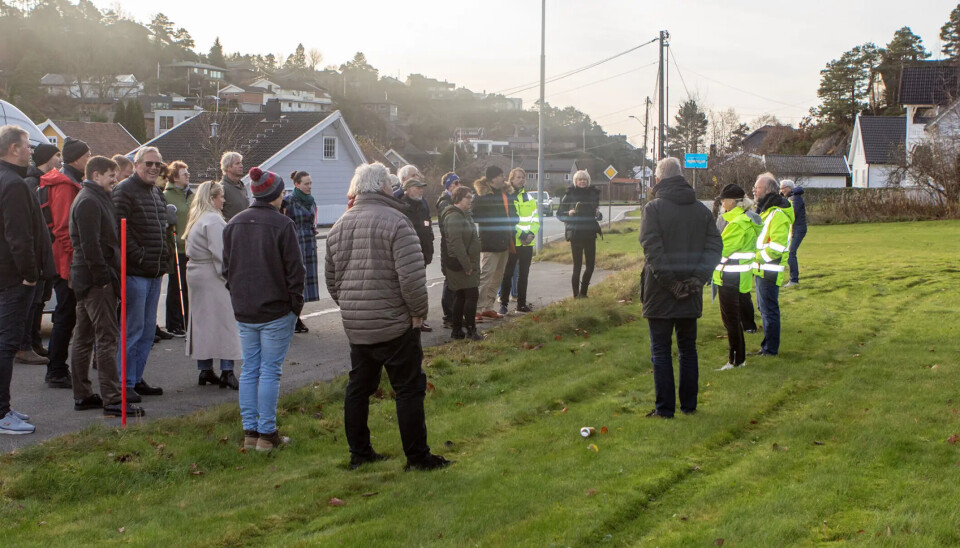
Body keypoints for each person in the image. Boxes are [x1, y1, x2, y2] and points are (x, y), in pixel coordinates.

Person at [325, 162, 451, 471]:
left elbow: (332, 279)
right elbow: (410, 279)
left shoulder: (340, 223)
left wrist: (351, 306)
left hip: (358, 323)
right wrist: (418, 313)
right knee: (408, 389)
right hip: (395, 322)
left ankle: (360, 452)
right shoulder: (397, 221)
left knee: (358, 388)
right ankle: (418, 458)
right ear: (384, 187)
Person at [223, 168, 304, 452]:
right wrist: (295, 306)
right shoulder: (283, 225)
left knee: (250, 370)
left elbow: (227, 269)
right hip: (275, 309)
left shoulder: (233, 223)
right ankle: (266, 433)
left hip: (246, 308)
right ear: (275, 195)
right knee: (269, 370)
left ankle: (251, 430)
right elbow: (296, 271)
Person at [639, 157, 721, 418]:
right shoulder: (701, 210)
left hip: (661, 290)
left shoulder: (653, 209)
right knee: (688, 349)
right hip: (690, 289)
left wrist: (673, 284)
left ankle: (664, 409)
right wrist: (697, 279)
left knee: (661, 350)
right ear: (681, 177)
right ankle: (689, 405)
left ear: (659, 179)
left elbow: (652, 251)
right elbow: (713, 248)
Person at [68, 155, 145, 418]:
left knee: (84, 336)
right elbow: (90, 245)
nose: (116, 179)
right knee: (106, 337)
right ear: (97, 174)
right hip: (95, 280)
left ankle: (84, 394)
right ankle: (113, 399)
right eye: (112, 175)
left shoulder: (96, 198)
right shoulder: (89, 201)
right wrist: (103, 278)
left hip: (88, 277)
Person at [112, 146, 171, 401]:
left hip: (155, 272)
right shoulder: (124, 191)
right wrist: (139, 256)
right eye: (149, 163)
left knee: (147, 331)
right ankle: (123, 383)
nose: (154, 168)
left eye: (157, 164)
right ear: (136, 165)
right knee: (132, 330)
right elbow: (118, 229)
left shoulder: (157, 193)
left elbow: (164, 228)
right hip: (135, 272)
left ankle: (135, 378)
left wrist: (164, 253)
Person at [33, 137, 89, 387]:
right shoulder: (65, 185)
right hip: (65, 261)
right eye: (87, 155)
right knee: (66, 316)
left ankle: (57, 368)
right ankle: (56, 370)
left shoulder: (64, 181)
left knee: (66, 315)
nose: (89, 160)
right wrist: (76, 258)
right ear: (77, 158)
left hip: (61, 258)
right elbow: (65, 228)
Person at [0, 125, 42, 434]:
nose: (31, 151)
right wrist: (29, 275)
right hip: (13, 278)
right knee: (7, 344)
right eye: (27, 146)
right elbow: (18, 236)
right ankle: (2, 413)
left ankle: (4, 407)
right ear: (14, 148)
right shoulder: (13, 184)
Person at [184, 181, 242, 390]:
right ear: (212, 198)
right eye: (221, 197)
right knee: (224, 322)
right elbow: (221, 254)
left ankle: (205, 368)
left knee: (202, 322)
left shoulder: (197, 218)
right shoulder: (214, 220)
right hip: (211, 274)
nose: (223, 200)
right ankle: (227, 369)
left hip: (197, 272)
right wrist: (229, 278)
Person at [712, 184, 758, 371]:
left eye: (725, 199)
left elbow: (721, 249)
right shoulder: (746, 219)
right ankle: (739, 358)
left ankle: (736, 360)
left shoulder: (736, 223)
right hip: (740, 275)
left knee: (730, 320)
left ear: (735, 202)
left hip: (729, 277)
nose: (722, 202)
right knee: (735, 319)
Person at [21, 144, 59, 361]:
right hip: (36, 251)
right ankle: (25, 346)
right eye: (57, 155)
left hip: (45, 250)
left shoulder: (44, 182)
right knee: (32, 302)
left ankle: (33, 344)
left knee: (39, 301)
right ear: (47, 159)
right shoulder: (32, 183)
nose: (60, 160)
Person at [751, 172, 794, 357]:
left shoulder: (777, 213)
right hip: (762, 268)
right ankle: (766, 346)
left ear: (768, 190)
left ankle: (770, 349)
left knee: (769, 310)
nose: (754, 190)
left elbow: (777, 247)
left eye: (757, 187)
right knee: (764, 309)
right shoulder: (767, 210)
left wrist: (756, 257)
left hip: (769, 268)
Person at [473, 166, 516, 320]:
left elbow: (513, 214)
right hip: (489, 242)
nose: (503, 177)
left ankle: (488, 307)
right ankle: (476, 309)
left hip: (504, 241)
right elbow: (475, 215)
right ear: (492, 179)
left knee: (497, 276)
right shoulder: (481, 196)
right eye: (500, 175)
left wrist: (512, 221)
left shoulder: (506, 194)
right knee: (485, 276)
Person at [441, 186, 483, 341]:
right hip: (460, 265)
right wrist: (467, 266)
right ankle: (471, 330)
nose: (470, 201)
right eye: (467, 197)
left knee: (461, 295)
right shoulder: (454, 217)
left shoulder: (464, 215)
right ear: (458, 198)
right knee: (471, 294)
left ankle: (458, 330)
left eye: (471, 197)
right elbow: (456, 244)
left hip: (466, 262)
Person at [282, 171, 319, 334]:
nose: (309, 186)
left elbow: (313, 221)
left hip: (308, 242)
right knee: (294, 281)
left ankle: (297, 316)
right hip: (295, 242)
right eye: (306, 183)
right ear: (296, 184)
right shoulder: (287, 201)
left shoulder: (311, 201)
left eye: (310, 183)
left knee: (304, 283)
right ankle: (294, 318)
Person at [498, 168, 538, 314]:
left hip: (528, 242)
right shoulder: (508, 196)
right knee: (507, 273)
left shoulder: (529, 197)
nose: (521, 180)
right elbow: (510, 220)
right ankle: (503, 304)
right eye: (518, 177)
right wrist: (522, 235)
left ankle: (521, 304)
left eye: (523, 177)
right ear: (511, 179)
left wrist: (532, 234)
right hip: (513, 240)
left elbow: (535, 219)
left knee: (524, 275)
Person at [558, 169, 603, 299]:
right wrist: (569, 213)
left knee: (590, 266)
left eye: (584, 179)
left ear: (588, 181)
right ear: (575, 181)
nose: (582, 181)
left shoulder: (593, 194)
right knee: (577, 266)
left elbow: (598, 216)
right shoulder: (569, 195)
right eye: (579, 179)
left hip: (590, 233)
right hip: (576, 234)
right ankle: (576, 295)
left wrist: (598, 214)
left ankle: (584, 293)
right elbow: (560, 214)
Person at [162, 160, 193, 337]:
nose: (188, 176)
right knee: (176, 286)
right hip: (176, 247)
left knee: (188, 286)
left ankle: (187, 320)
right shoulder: (167, 195)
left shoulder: (189, 195)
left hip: (190, 248)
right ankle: (173, 323)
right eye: (184, 174)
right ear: (174, 177)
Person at [436, 172, 462, 329]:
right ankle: (449, 316)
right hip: (448, 247)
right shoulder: (445, 202)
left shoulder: (453, 200)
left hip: (454, 246)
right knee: (450, 280)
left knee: (456, 281)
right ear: (449, 186)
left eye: (459, 183)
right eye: (456, 183)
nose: (459, 186)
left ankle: (455, 314)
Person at [780, 179, 806, 287]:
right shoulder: (791, 197)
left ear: (789, 188)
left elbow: (792, 215)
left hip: (798, 229)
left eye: (783, 188)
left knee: (791, 254)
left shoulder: (795, 198)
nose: (781, 191)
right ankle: (793, 279)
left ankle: (794, 280)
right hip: (794, 229)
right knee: (789, 253)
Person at [219, 151, 248, 221]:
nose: (241, 166)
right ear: (228, 167)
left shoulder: (242, 187)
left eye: (241, 163)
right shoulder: (221, 188)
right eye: (237, 163)